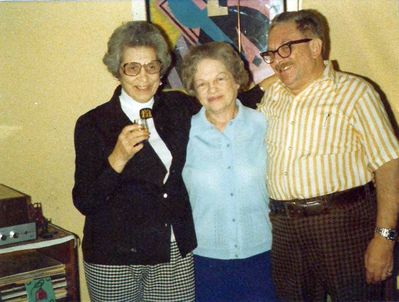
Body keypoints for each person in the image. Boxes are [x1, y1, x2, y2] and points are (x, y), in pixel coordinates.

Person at [242, 9, 399, 301]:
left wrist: (384, 238)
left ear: (316, 46)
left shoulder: (355, 92)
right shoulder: (271, 96)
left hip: (344, 226)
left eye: (285, 48)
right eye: (271, 53)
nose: (277, 59)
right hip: (285, 229)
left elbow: (390, 165)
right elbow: (232, 103)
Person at [72, 21, 199, 302]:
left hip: (172, 251)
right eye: (132, 67)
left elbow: (224, 101)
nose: (143, 77)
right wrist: (117, 158)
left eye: (152, 66)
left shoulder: (179, 107)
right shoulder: (93, 123)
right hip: (114, 258)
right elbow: (84, 201)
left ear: (162, 69)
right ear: (118, 70)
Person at [180, 41, 277, 302]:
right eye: (202, 83)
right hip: (205, 263)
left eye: (220, 78)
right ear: (194, 90)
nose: (212, 88)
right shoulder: (182, 134)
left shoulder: (264, 125)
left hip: (264, 257)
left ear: (236, 80)